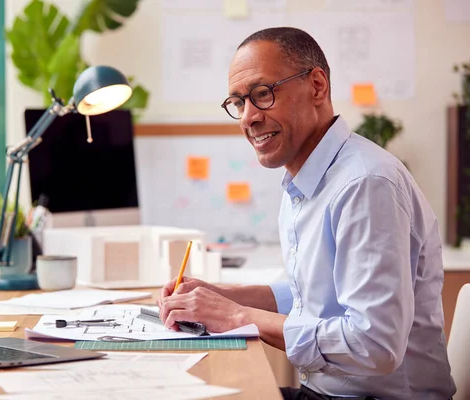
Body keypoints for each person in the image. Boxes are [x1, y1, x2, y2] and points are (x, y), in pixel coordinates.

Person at [158, 27, 456, 400]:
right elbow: (307, 297)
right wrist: (220, 296)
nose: (247, 118)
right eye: (237, 102)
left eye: (262, 95)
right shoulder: (306, 178)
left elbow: (374, 346)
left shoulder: (366, 183)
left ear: (317, 86)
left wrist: (235, 317)